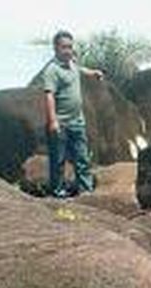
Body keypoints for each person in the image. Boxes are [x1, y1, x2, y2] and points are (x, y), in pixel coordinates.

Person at [40, 30, 103, 197]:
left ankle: (86, 190)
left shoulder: (72, 65)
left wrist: (93, 73)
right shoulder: (52, 70)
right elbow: (49, 95)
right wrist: (52, 121)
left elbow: (80, 69)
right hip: (61, 122)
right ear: (56, 48)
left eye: (70, 47)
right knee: (58, 160)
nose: (68, 50)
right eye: (64, 47)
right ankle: (58, 192)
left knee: (82, 158)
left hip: (77, 121)